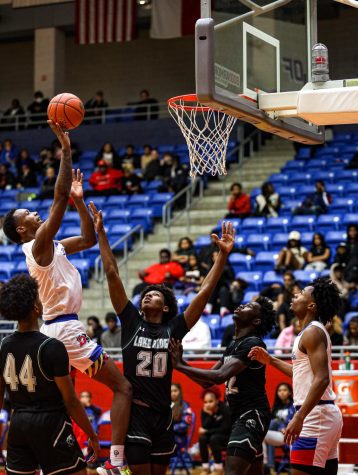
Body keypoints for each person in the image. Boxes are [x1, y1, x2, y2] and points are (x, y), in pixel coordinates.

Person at [2, 121, 131, 475]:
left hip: (59, 330)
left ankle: (63, 459)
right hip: (65, 331)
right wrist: (66, 148)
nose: (34, 211)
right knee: (122, 388)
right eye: (27, 213)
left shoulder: (51, 244)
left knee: (63, 402)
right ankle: (115, 462)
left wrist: (78, 202)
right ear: (23, 229)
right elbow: (56, 196)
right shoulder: (38, 245)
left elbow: (88, 240)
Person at [88, 203, 235, 475]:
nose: (147, 295)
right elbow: (111, 273)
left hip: (164, 415)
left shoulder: (174, 329)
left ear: (165, 307)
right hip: (138, 416)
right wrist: (101, 235)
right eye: (145, 294)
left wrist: (221, 258)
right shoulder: (131, 321)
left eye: (154, 294)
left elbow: (203, 294)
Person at [0, 274, 100, 475]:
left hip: (18, 423)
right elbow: (71, 400)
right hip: (51, 424)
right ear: (36, 309)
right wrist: (92, 434)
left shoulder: (3, 345)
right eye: (38, 297)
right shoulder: (52, 347)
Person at [170, 297, 277, 475]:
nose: (242, 305)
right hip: (238, 414)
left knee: (232, 470)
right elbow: (208, 382)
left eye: (249, 306)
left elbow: (219, 377)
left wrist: (181, 366)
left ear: (256, 321)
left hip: (252, 413)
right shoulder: (234, 344)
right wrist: (182, 364)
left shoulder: (253, 343)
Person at [249, 277, 343, 475]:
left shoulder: (312, 333)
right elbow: (302, 374)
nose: (295, 295)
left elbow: (322, 378)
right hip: (322, 413)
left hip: (314, 416)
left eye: (301, 294)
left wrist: (299, 417)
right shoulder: (308, 333)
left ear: (311, 305)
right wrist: (271, 360)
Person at [198, 387, 231, 475]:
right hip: (214, 435)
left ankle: (218, 469)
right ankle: (205, 468)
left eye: (210, 401)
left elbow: (225, 428)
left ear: (217, 400)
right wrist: (211, 414)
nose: (207, 404)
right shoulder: (205, 410)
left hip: (226, 437)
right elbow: (205, 426)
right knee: (202, 438)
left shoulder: (224, 408)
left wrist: (207, 431)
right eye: (205, 402)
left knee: (214, 438)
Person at [265, 383, 293, 473]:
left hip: (288, 434)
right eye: (279, 391)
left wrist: (282, 427)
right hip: (277, 433)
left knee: (275, 422)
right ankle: (269, 467)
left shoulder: (293, 406)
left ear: (289, 392)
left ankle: (270, 467)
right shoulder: (275, 408)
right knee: (267, 434)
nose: (282, 393)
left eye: (284, 390)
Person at [204, 250, 235, 317]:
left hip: (225, 287)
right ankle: (208, 308)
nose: (216, 257)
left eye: (217, 255)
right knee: (213, 288)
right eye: (214, 256)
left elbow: (231, 279)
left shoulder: (227, 267)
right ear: (212, 258)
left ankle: (223, 309)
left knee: (223, 289)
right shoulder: (210, 268)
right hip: (213, 288)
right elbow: (207, 281)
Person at [171, 383, 193, 448]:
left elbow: (186, 424)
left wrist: (171, 429)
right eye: (171, 391)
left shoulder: (185, 405)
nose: (173, 393)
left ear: (180, 392)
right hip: (168, 435)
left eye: (175, 391)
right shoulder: (167, 404)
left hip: (179, 437)